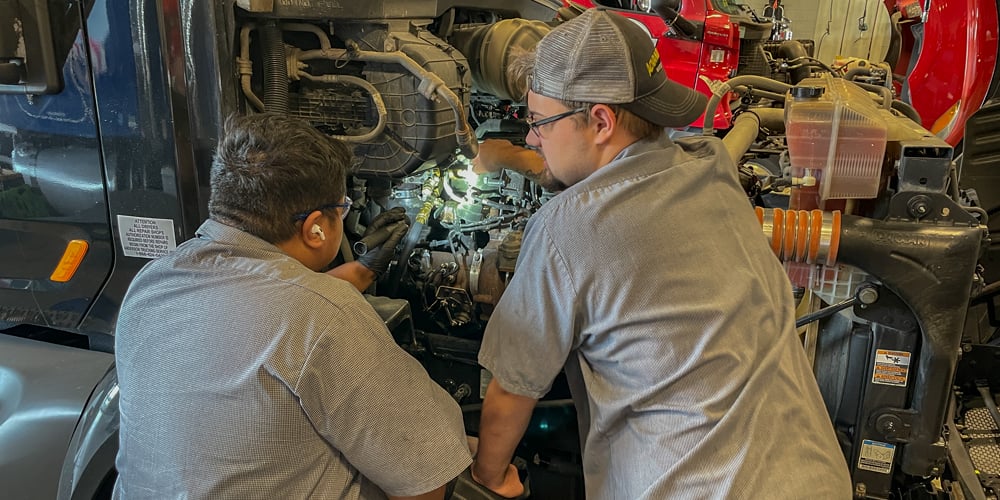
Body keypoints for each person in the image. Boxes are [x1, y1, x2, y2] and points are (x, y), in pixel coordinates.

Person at [470, 9, 852, 499]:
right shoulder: (710, 166)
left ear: (602, 121)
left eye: (540, 122)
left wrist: (491, 478)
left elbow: (512, 388)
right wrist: (507, 157)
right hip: (815, 479)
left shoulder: (565, 231)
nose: (531, 137)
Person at [114, 113, 472, 500]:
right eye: (344, 208)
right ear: (315, 226)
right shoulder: (327, 317)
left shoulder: (152, 281)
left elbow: (260, 308)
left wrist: (361, 272)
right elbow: (424, 482)